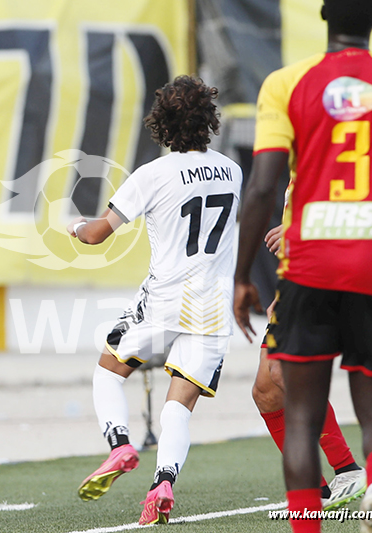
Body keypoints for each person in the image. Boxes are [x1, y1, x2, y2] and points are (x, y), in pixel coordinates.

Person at [233, 2, 372, 532]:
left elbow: (260, 186)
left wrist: (241, 276)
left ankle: (321, 504)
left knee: (296, 408)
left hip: (312, 263)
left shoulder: (287, 84)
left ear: (324, 15)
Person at [68, 75, 243, 525]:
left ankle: (120, 444)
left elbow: (96, 235)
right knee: (177, 407)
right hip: (212, 302)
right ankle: (163, 482)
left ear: (161, 124)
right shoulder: (232, 169)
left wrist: (75, 227)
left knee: (108, 372)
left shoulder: (151, 175)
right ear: (209, 118)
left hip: (165, 298)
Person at [253, 226, 366, 511]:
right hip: (296, 278)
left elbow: (347, 211)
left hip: (320, 273)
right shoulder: (294, 179)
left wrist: (297, 230)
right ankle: (318, 491)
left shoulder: (320, 180)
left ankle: (347, 468)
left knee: (283, 370)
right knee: (265, 391)